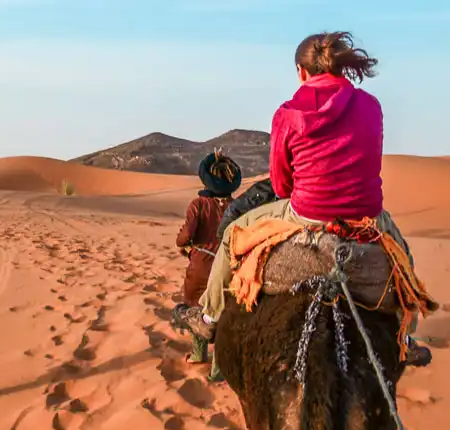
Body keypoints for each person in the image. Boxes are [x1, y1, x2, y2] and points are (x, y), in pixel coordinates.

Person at [172, 31, 433, 367]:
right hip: (365, 215)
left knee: (233, 234)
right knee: (403, 260)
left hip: (307, 212)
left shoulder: (288, 112)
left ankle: (208, 320)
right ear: (340, 68)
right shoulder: (371, 106)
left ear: (301, 71)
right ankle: (405, 337)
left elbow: (281, 184)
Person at [175, 152, 241, 378]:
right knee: (223, 312)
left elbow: (185, 237)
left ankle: (198, 354)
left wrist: (182, 242)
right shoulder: (238, 206)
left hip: (201, 267)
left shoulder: (198, 205)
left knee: (196, 308)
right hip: (229, 268)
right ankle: (219, 367)